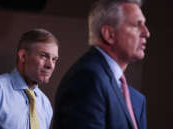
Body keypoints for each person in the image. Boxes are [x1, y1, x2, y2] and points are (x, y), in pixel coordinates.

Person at [53, 0, 150, 129]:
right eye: (137, 25)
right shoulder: (87, 79)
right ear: (109, 35)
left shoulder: (136, 99)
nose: (146, 33)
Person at [0, 28, 59, 129]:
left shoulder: (46, 105)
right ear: (23, 56)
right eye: (43, 56)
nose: (50, 65)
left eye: (54, 59)